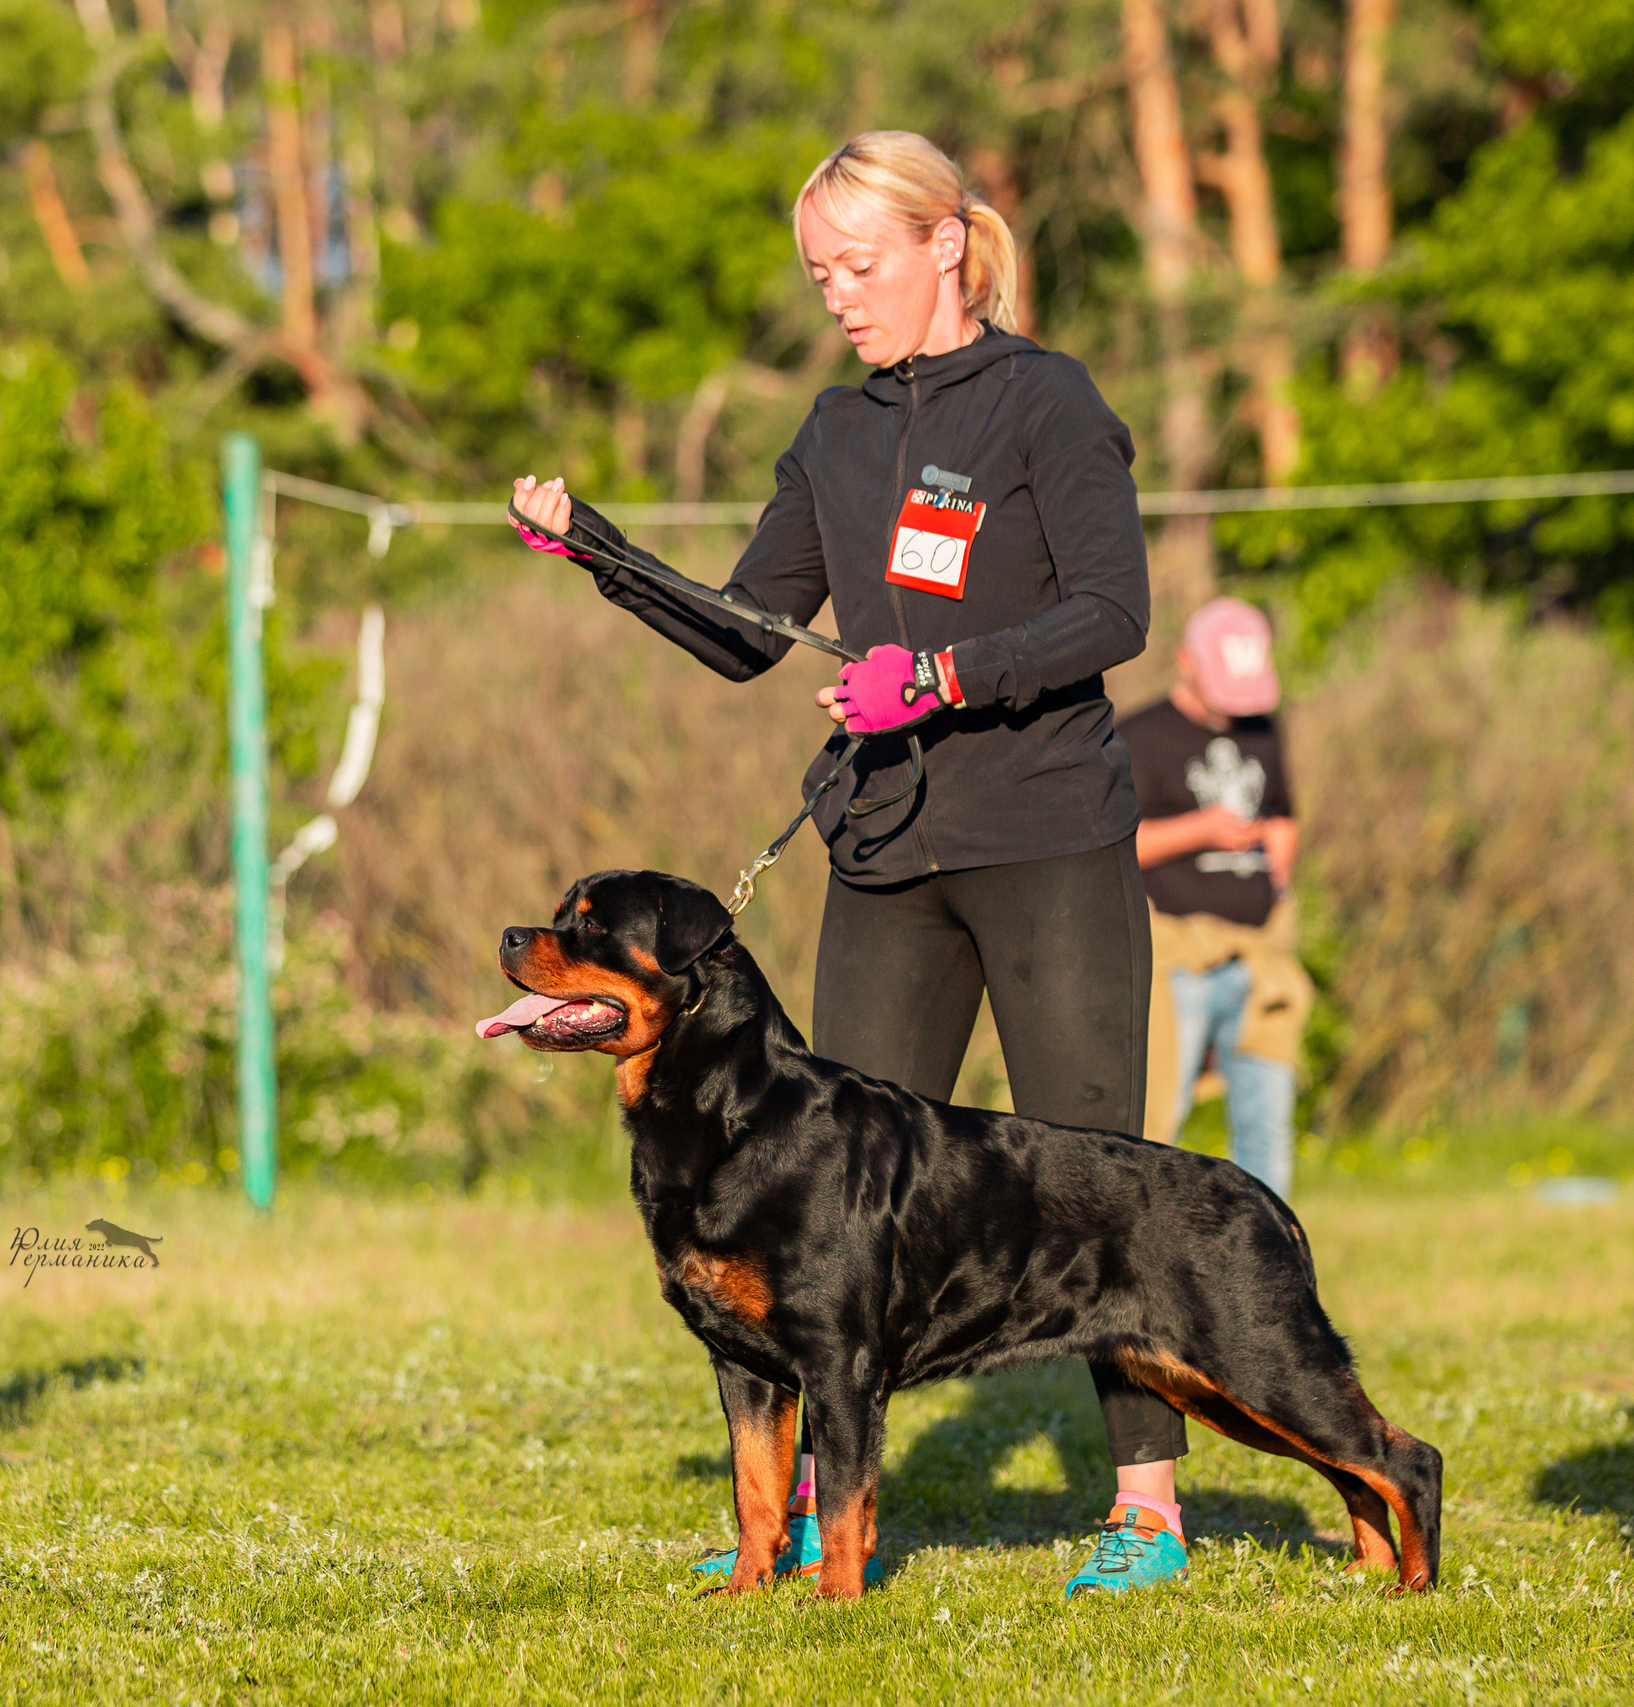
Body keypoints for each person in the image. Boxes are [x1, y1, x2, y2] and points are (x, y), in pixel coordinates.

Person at [509, 131, 1191, 1596]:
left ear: (947, 243)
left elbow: (1113, 611)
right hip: (883, 846)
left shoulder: (1045, 400)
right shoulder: (832, 430)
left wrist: (937, 674)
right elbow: (750, 630)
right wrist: (601, 552)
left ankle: (1146, 1505)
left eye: (859, 264)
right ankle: (815, 1513)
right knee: (820, 1197)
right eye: (819, 272)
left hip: (1048, 834)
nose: (838, 295)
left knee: (1092, 1174)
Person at [1118, 598, 1310, 1195]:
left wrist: (1282, 845)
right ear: (1185, 662)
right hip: (1176, 961)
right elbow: (1119, 844)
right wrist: (1203, 829)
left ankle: (1273, 1266)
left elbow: (1282, 813)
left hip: (1257, 958)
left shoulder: (1262, 728)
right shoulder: (1139, 735)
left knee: (1265, 1133)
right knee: (1155, 1126)